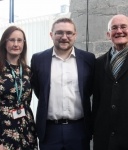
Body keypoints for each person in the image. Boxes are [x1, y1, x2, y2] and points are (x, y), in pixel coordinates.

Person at [31, 18, 95, 150]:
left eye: (69, 33)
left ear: (75, 35)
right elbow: (40, 90)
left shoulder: (88, 59)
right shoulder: (38, 59)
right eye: (59, 32)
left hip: (79, 129)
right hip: (49, 131)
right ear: (51, 35)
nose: (64, 37)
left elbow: (89, 89)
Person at [92, 14, 128, 150]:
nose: (119, 31)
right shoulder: (99, 62)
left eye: (123, 27)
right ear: (108, 34)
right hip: (106, 139)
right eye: (114, 28)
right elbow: (97, 101)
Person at [0, 26, 38, 150]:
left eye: (19, 40)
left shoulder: (28, 71)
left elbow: (27, 101)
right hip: (2, 131)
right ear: (4, 42)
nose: (16, 44)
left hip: (26, 130)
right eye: (11, 40)